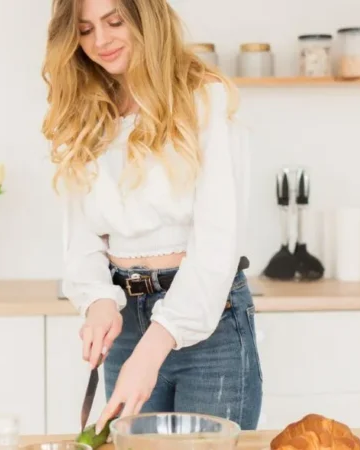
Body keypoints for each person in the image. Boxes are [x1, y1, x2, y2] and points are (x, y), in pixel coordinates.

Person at [41, 0, 261, 434]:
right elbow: (81, 238)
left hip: (209, 321)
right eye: (84, 30)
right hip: (126, 322)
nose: (99, 41)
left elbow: (217, 246)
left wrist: (153, 347)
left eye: (114, 21)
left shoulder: (204, 99)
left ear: (147, 18)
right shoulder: (88, 111)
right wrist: (100, 303)